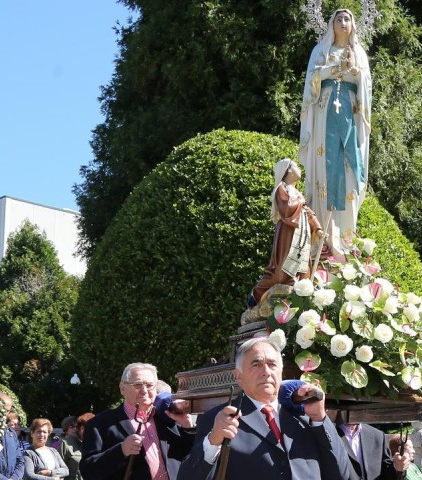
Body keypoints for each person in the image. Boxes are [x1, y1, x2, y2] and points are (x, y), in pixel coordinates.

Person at [176, 337, 352, 480]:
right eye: (256, 364)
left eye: (272, 364)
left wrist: (320, 419)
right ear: (238, 377)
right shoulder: (219, 420)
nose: (266, 371)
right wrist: (213, 441)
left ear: (281, 372)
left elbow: (343, 474)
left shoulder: (306, 416)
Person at [299, 8, 372, 256]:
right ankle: (323, 234)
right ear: (331, 24)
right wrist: (333, 68)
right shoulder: (321, 50)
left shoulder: (359, 52)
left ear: (353, 25)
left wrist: (355, 72)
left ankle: (346, 237)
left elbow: (366, 86)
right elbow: (312, 79)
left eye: (347, 19)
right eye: (338, 19)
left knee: (349, 170)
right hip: (325, 112)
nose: (343, 22)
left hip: (350, 112)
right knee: (325, 165)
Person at [80, 363, 195, 480]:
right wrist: (121, 450)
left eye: (149, 385)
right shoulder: (99, 424)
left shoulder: (168, 418)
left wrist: (187, 426)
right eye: (137, 385)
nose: (144, 390)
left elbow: (194, 457)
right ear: (122, 388)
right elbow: (88, 471)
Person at [248, 159, 323, 307]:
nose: (299, 169)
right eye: (296, 166)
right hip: (288, 233)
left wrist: (318, 228)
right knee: (282, 270)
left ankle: (297, 296)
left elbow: (308, 212)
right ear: (288, 170)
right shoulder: (282, 189)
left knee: (302, 266)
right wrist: (301, 200)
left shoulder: (297, 193)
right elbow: (286, 209)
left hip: (302, 234)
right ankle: (257, 294)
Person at [57, 412, 94, 480]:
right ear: (66, 428)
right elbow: (57, 471)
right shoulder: (60, 443)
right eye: (72, 426)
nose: (75, 429)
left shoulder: (88, 443)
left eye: (76, 426)